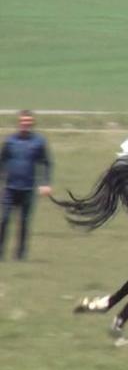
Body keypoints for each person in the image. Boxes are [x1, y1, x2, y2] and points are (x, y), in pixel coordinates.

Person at [0, 110, 53, 261]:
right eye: (23, 121)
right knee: (3, 220)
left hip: (28, 189)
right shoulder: (10, 141)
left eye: (28, 122)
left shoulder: (38, 142)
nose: (25, 124)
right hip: (10, 189)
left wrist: (46, 183)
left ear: (32, 124)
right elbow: (1, 162)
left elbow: (46, 163)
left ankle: (20, 256)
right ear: (19, 123)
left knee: (23, 223)